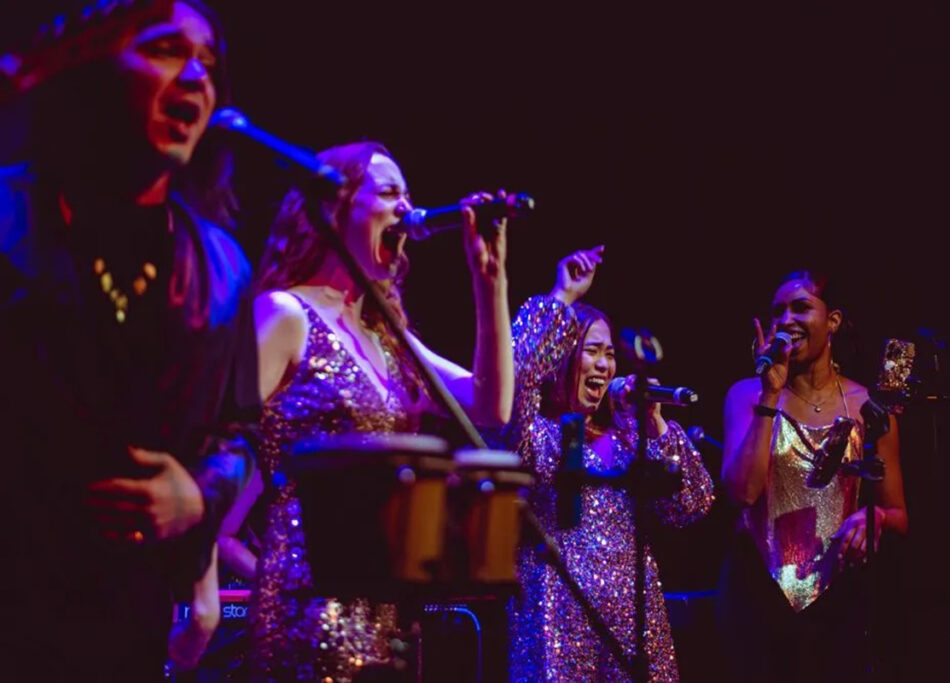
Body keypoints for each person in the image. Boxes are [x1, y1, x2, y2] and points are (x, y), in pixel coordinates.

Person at [0, 1, 258, 680]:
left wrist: (199, 496)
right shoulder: (9, 220)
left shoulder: (223, 269)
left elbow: (237, 435)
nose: (197, 78)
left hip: (124, 627)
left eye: (209, 64)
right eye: (167, 49)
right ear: (91, 68)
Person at [248, 141, 514, 681]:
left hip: (390, 614)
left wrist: (491, 285)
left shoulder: (389, 337)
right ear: (335, 206)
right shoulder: (285, 315)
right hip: (308, 603)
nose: (406, 208)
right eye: (389, 192)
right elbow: (217, 446)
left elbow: (492, 405)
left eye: (408, 195)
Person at [501, 246, 714, 682]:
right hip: (555, 617)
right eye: (591, 351)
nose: (603, 365)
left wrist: (652, 421)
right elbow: (515, 377)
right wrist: (561, 296)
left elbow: (692, 504)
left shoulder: (629, 440)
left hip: (635, 623)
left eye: (609, 354)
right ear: (560, 357)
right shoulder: (535, 435)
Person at [717, 270, 908, 683]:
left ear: (833, 321)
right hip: (757, 591)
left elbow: (898, 513)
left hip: (838, 596)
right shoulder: (746, 395)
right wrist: (770, 395)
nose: (786, 319)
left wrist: (872, 518)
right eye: (777, 312)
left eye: (801, 307)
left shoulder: (867, 407)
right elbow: (741, 493)